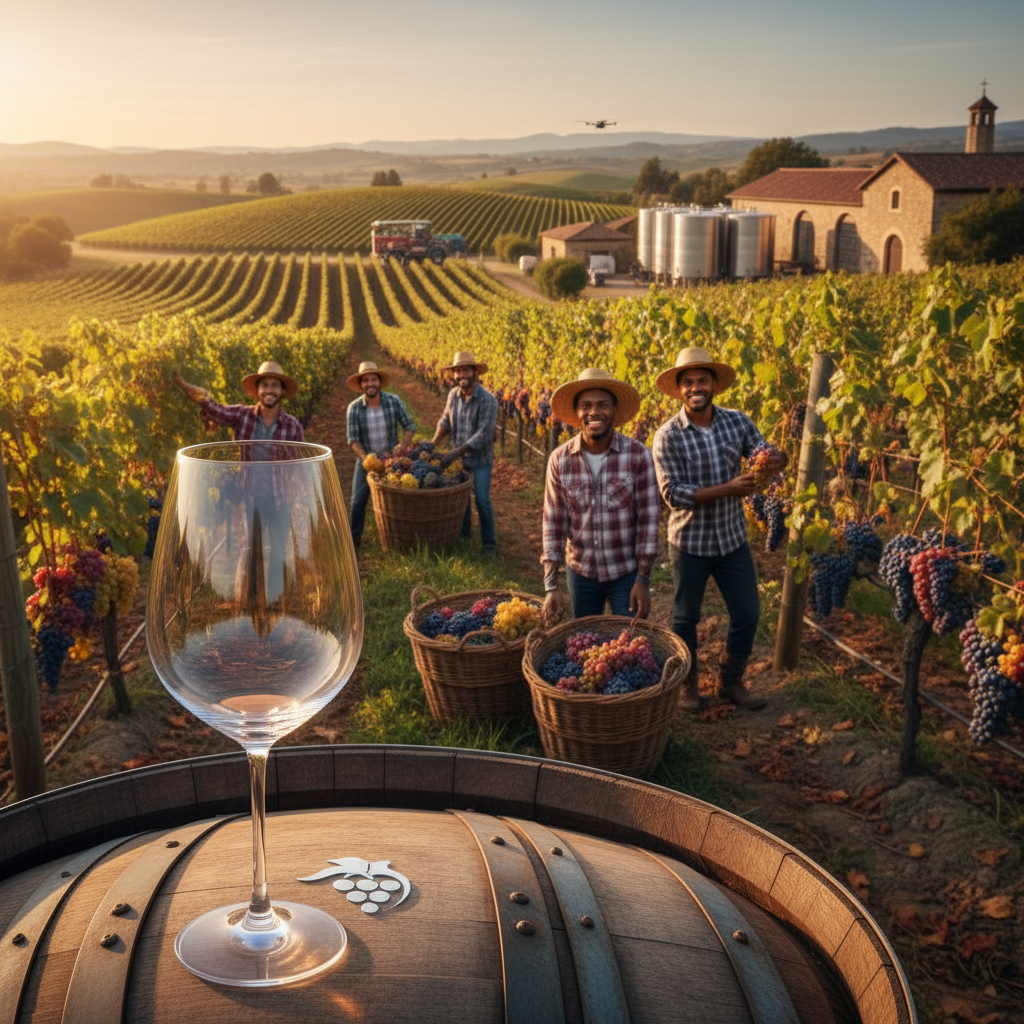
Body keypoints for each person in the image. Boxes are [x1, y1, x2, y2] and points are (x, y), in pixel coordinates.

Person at [651, 347, 787, 711]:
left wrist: (776, 459)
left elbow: (763, 451)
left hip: (731, 539)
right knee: (685, 618)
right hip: (689, 543)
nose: (697, 387)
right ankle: (688, 685)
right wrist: (729, 489)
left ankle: (731, 681)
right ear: (680, 389)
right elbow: (672, 493)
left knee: (747, 612)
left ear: (714, 385)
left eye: (703, 381)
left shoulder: (737, 422)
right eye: (689, 382)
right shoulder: (667, 435)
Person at [541, 368, 659, 626]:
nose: (594, 412)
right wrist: (551, 585)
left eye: (603, 405)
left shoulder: (638, 456)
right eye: (586, 406)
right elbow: (554, 523)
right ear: (577, 413)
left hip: (625, 572)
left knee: (630, 641)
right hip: (581, 573)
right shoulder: (559, 460)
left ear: (614, 410)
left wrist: (642, 579)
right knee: (585, 642)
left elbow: (648, 521)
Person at [430, 351, 498, 553]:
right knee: (462, 497)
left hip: (480, 459)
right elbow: (445, 421)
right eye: (458, 371)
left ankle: (489, 544)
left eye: (466, 370)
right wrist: (433, 443)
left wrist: (456, 452)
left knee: (482, 500)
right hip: (459, 458)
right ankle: (464, 533)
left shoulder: (488, 400)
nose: (462, 375)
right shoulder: (453, 395)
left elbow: (484, 434)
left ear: (475, 372)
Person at [345, 359, 416, 546]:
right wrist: (366, 459)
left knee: (397, 501)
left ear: (379, 382)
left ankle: (398, 538)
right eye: (365, 381)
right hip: (367, 459)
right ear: (361, 385)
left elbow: (409, 427)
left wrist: (402, 448)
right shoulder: (354, 408)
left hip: (392, 460)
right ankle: (354, 539)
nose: (370, 384)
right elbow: (353, 440)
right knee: (357, 500)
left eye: (373, 379)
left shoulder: (394, 401)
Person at [177, 360, 305, 448]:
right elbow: (215, 410)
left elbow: (300, 467)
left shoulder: (293, 426)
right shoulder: (241, 416)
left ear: (283, 391)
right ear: (258, 390)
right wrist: (200, 395)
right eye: (264, 385)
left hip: (280, 489)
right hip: (246, 488)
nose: (269, 390)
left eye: (275, 386)